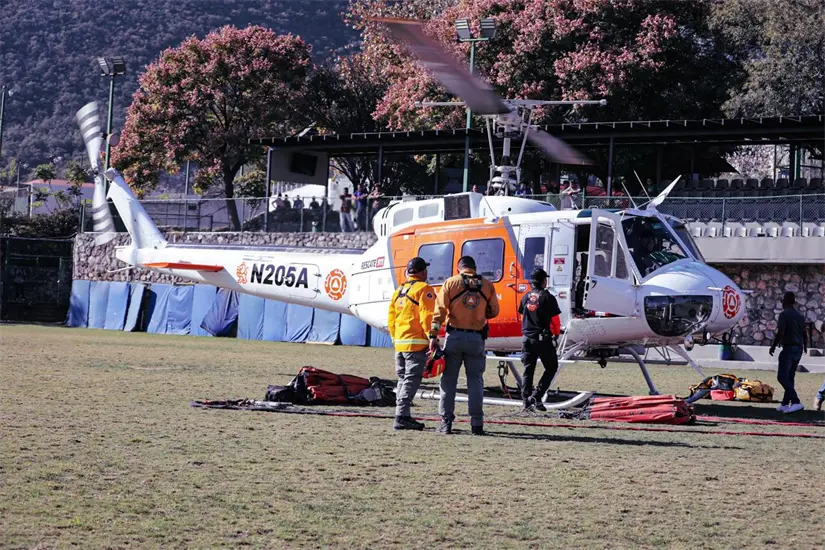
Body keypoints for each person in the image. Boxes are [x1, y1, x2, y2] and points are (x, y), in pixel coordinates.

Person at [429, 256, 500, 435]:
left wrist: (433, 335)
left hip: (454, 337)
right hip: (476, 339)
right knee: (475, 381)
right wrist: (478, 314)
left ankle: (446, 423)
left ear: (459, 268)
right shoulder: (486, 284)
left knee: (448, 381)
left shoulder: (450, 283)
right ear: (474, 268)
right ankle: (477, 425)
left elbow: (439, 312)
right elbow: (494, 311)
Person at [387, 257, 436, 431]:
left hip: (399, 344)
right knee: (411, 379)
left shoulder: (399, 290)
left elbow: (391, 319)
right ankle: (401, 417)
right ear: (422, 272)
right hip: (415, 344)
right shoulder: (424, 289)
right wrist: (433, 336)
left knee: (402, 379)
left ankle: (403, 414)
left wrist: (395, 339)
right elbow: (427, 316)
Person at [518, 268, 562, 411]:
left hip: (526, 338)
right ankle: (537, 396)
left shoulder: (525, 297)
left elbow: (522, 315)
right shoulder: (547, 297)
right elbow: (555, 319)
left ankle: (526, 400)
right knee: (551, 367)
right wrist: (556, 334)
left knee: (528, 369)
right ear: (543, 281)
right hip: (542, 339)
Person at [770, 292, 808, 413]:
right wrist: (805, 346)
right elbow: (804, 333)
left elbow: (781, 331)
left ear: (785, 301)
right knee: (790, 377)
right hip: (798, 349)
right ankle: (785, 404)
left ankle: (796, 401)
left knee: (781, 376)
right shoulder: (799, 316)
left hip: (789, 348)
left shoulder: (784, 315)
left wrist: (773, 345)